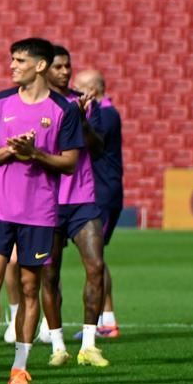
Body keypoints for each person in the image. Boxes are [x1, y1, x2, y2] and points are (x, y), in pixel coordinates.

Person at [0, 37, 82, 384]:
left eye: (19, 60)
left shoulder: (65, 109)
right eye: (11, 59)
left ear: (39, 65)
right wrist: (10, 151)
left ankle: (19, 368)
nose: (12, 65)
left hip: (39, 212)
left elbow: (70, 163)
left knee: (31, 287)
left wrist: (35, 154)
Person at [41, 46, 110, 369]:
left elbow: (97, 148)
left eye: (68, 66)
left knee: (95, 267)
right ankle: (57, 344)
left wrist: (81, 120)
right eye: (59, 66)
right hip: (47, 200)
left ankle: (89, 344)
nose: (66, 71)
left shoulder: (82, 103)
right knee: (49, 276)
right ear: (44, 69)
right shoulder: (36, 104)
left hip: (82, 198)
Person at [74, 68, 122, 338]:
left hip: (103, 192)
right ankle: (107, 318)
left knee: (95, 260)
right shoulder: (103, 111)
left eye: (78, 86)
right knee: (96, 258)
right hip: (101, 191)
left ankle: (107, 321)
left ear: (91, 89)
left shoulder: (106, 113)